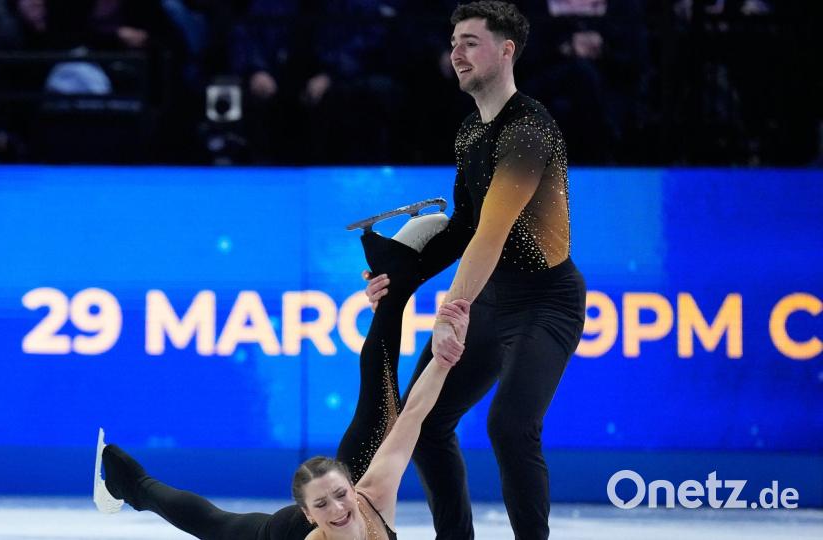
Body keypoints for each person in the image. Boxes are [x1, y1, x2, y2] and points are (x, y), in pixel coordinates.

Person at [363, 2, 586, 539]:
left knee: (510, 427)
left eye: (470, 42)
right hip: (490, 297)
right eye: (454, 41)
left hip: (545, 300)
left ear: (507, 50)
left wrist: (451, 309)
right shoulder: (470, 133)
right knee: (424, 420)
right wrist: (400, 276)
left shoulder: (529, 130)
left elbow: (494, 229)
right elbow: (464, 224)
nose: (456, 53)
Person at [96, 224, 473, 540]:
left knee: (386, 417)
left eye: (342, 496)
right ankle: (132, 483)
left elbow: (414, 416)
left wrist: (444, 359)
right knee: (215, 524)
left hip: (333, 485)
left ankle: (394, 280)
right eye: (324, 506)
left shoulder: (372, 493)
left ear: (354, 488)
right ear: (309, 515)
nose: (340, 509)